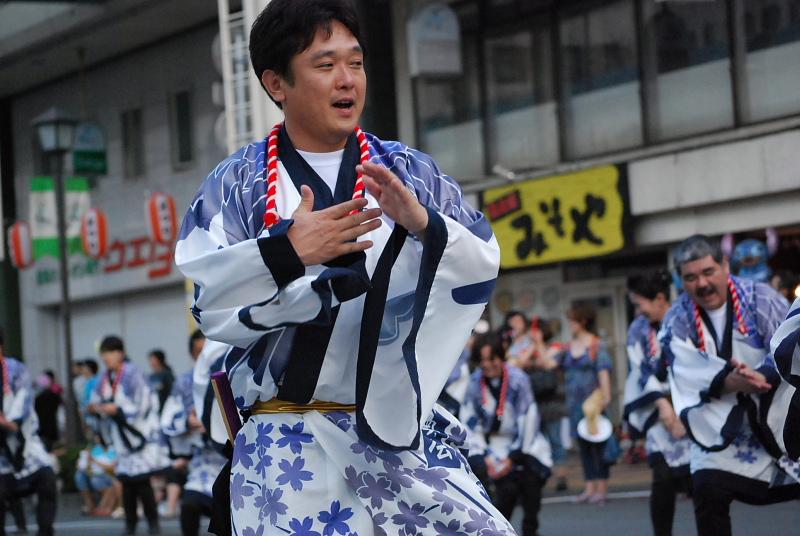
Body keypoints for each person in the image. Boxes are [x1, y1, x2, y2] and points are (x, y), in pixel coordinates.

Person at [174, 0, 509, 534]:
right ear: (276, 83)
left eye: (355, 63)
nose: (346, 80)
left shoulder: (408, 170)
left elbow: (482, 257)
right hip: (286, 441)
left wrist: (425, 225)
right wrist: (288, 251)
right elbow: (210, 301)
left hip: (393, 433)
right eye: (325, 65)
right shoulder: (236, 183)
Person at [659, 235, 800, 536]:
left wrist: (763, 375)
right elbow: (679, 367)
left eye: (708, 272)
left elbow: (789, 344)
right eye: (691, 277)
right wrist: (725, 380)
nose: (702, 284)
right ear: (680, 280)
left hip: (776, 414)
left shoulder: (760, 297)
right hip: (722, 426)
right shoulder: (678, 317)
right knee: (707, 488)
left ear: (725, 265)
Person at [624, 271, 692, 536]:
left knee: (697, 480)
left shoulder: (685, 319)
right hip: (655, 408)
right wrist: (664, 407)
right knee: (661, 477)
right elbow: (640, 369)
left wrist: (680, 409)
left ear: (660, 298)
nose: (638, 311)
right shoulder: (637, 329)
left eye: (640, 304)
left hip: (689, 405)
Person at [462, 334, 551, 536]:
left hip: (524, 443)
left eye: (491, 359)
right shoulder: (475, 382)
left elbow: (528, 417)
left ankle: (530, 530)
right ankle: (499, 530)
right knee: (503, 493)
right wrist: (484, 455)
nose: (487, 365)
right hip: (492, 444)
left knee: (531, 486)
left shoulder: (518, 379)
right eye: (482, 360)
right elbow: (470, 421)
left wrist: (513, 456)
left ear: (500, 357)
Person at [534, 305, 614, 504]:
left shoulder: (596, 345)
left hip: (593, 403)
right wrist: (538, 343)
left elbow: (603, 373)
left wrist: (606, 398)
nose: (570, 324)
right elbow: (546, 363)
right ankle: (589, 487)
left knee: (599, 446)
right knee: (584, 446)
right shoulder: (568, 347)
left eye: (573, 321)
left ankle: (601, 488)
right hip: (575, 404)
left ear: (583, 321)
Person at [88, 335, 165, 535]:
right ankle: (130, 525)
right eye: (104, 353)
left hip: (137, 435)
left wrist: (117, 408)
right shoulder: (104, 377)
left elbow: (143, 403)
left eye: (110, 353)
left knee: (142, 482)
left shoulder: (133, 373)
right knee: (127, 482)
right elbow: (96, 400)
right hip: (120, 437)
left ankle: (153, 524)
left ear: (120, 353)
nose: (106, 357)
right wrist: (97, 408)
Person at [162, 334, 228, 536]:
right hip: (200, 463)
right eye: (200, 351)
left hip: (228, 459)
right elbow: (168, 417)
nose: (206, 355)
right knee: (189, 505)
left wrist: (213, 423)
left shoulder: (232, 373)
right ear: (193, 354)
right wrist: (187, 422)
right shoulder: (184, 381)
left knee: (230, 516)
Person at [0, 329, 57, 536]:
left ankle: (45, 531)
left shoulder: (16, 370)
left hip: (24, 444)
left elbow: (21, 407)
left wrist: (10, 422)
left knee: (47, 480)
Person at [529, 319, 569, 492]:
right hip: (535, 403)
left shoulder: (556, 347)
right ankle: (543, 474)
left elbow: (548, 363)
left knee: (555, 441)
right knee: (539, 442)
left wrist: (537, 345)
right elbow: (516, 362)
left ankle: (561, 477)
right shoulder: (530, 350)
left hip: (553, 403)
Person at [75, 438, 119, 516]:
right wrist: (83, 463)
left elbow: (112, 467)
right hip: (96, 473)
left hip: (110, 474)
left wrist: (95, 461)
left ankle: (104, 507)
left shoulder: (114, 449)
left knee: (98, 480)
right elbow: (87, 463)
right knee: (80, 475)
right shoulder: (96, 449)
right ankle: (90, 504)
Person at [34, 370, 63, 452]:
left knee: (44, 450)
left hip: (41, 428)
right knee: (49, 450)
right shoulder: (55, 395)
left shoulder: (37, 398)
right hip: (51, 428)